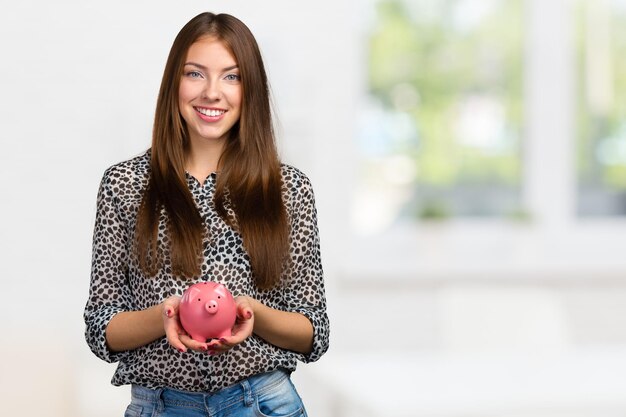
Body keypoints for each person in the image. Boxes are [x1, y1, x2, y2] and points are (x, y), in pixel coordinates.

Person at [83, 12, 329, 417]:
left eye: (232, 77)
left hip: (263, 403)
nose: (212, 92)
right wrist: (168, 314)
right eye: (195, 74)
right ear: (173, 84)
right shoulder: (124, 184)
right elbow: (100, 329)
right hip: (162, 407)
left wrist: (251, 311)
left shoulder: (287, 189)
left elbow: (314, 332)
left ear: (251, 89)